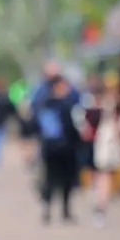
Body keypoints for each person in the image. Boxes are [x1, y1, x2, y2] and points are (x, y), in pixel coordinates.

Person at [36, 76, 82, 223]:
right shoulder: (67, 104)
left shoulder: (43, 103)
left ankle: (47, 211)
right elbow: (72, 127)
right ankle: (65, 211)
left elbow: (36, 125)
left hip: (49, 148)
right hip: (66, 148)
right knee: (66, 180)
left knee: (50, 179)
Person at [92, 92, 120, 227]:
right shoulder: (111, 117)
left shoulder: (103, 112)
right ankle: (101, 204)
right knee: (104, 177)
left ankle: (101, 202)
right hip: (108, 147)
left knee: (104, 176)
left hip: (104, 146)